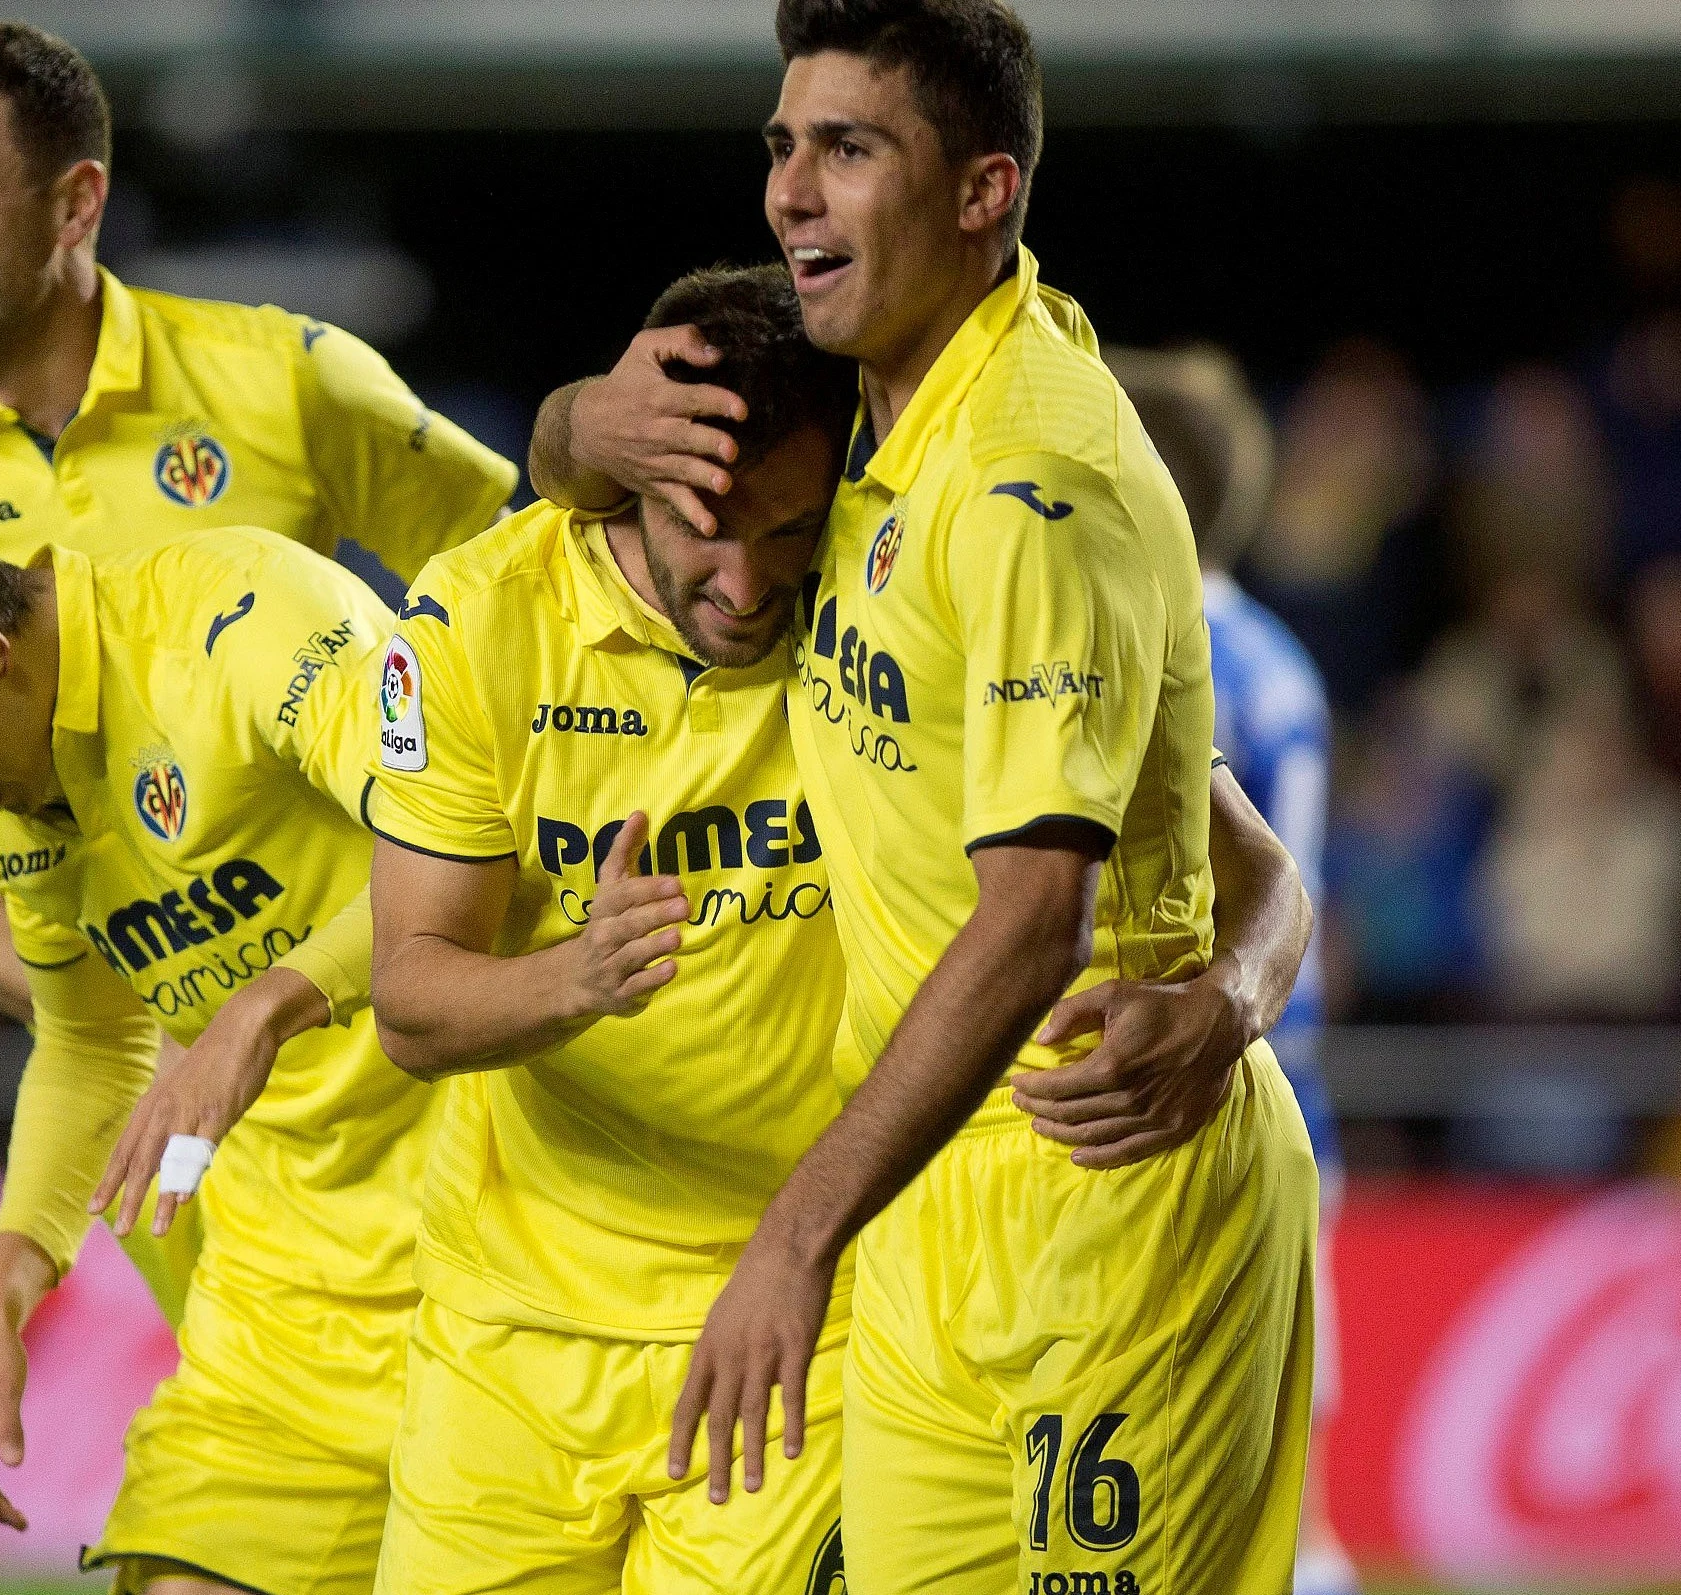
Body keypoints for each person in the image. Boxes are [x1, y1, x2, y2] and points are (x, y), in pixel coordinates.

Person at [528, 4, 1320, 1591]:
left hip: (1098, 1202)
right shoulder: (876, 427)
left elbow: (1035, 924)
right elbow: (1227, 821)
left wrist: (790, 1234)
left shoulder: (1033, 484)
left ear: (979, 190)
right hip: (924, 1207)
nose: (789, 193)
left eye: (847, 149)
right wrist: (577, 427)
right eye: (780, 146)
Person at [0, 461, 431, 1595]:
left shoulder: (243, 622)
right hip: (282, 1310)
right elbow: (86, 1040)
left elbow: (469, 843)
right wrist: (5, 1290)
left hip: (487, 1259)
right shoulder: (20, 796)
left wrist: (258, 1011)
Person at [0, 19, 514, 1020]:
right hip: (161, 1081)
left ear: (75, 204)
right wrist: (135, 1027)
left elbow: (514, 605)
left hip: (384, 1024)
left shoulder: (286, 378)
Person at [362, 264, 857, 1593]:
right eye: (709, 522)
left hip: (809, 1311)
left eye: (789, 528)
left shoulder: (893, 599)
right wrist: (570, 979)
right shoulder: (478, 616)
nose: (749, 582)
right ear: (630, 480)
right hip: (510, 1338)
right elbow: (408, 997)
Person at [1110, 345, 1357, 1595]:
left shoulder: (1157, 643)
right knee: (1281, 1486)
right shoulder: (1282, 659)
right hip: (1291, 1094)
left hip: (1179, 1093)